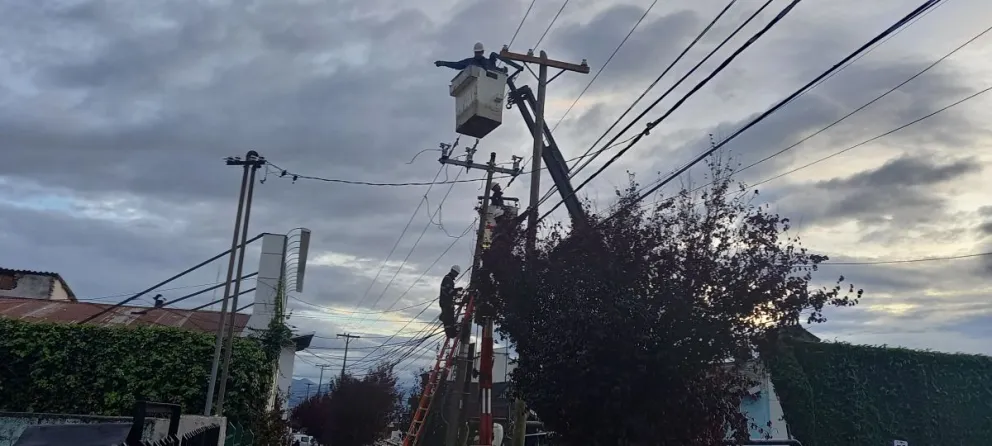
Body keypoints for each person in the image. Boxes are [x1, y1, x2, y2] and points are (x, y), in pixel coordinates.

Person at [434, 42, 502, 72]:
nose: (478, 54)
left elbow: (495, 70)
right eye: (476, 52)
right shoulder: (469, 61)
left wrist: (502, 70)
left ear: (482, 52)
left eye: (479, 52)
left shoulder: (488, 62)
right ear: (474, 52)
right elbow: (457, 65)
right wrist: (444, 63)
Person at [438, 265, 463, 338]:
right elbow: (449, 291)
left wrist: (457, 290)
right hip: (446, 302)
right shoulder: (448, 279)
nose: (456, 276)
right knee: (449, 319)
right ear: (453, 272)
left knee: (450, 318)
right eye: (456, 274)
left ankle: (452, 332)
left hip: (446, 302)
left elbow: (449, 290)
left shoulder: (448, 279)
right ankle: (451, 334)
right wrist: (456, 292)